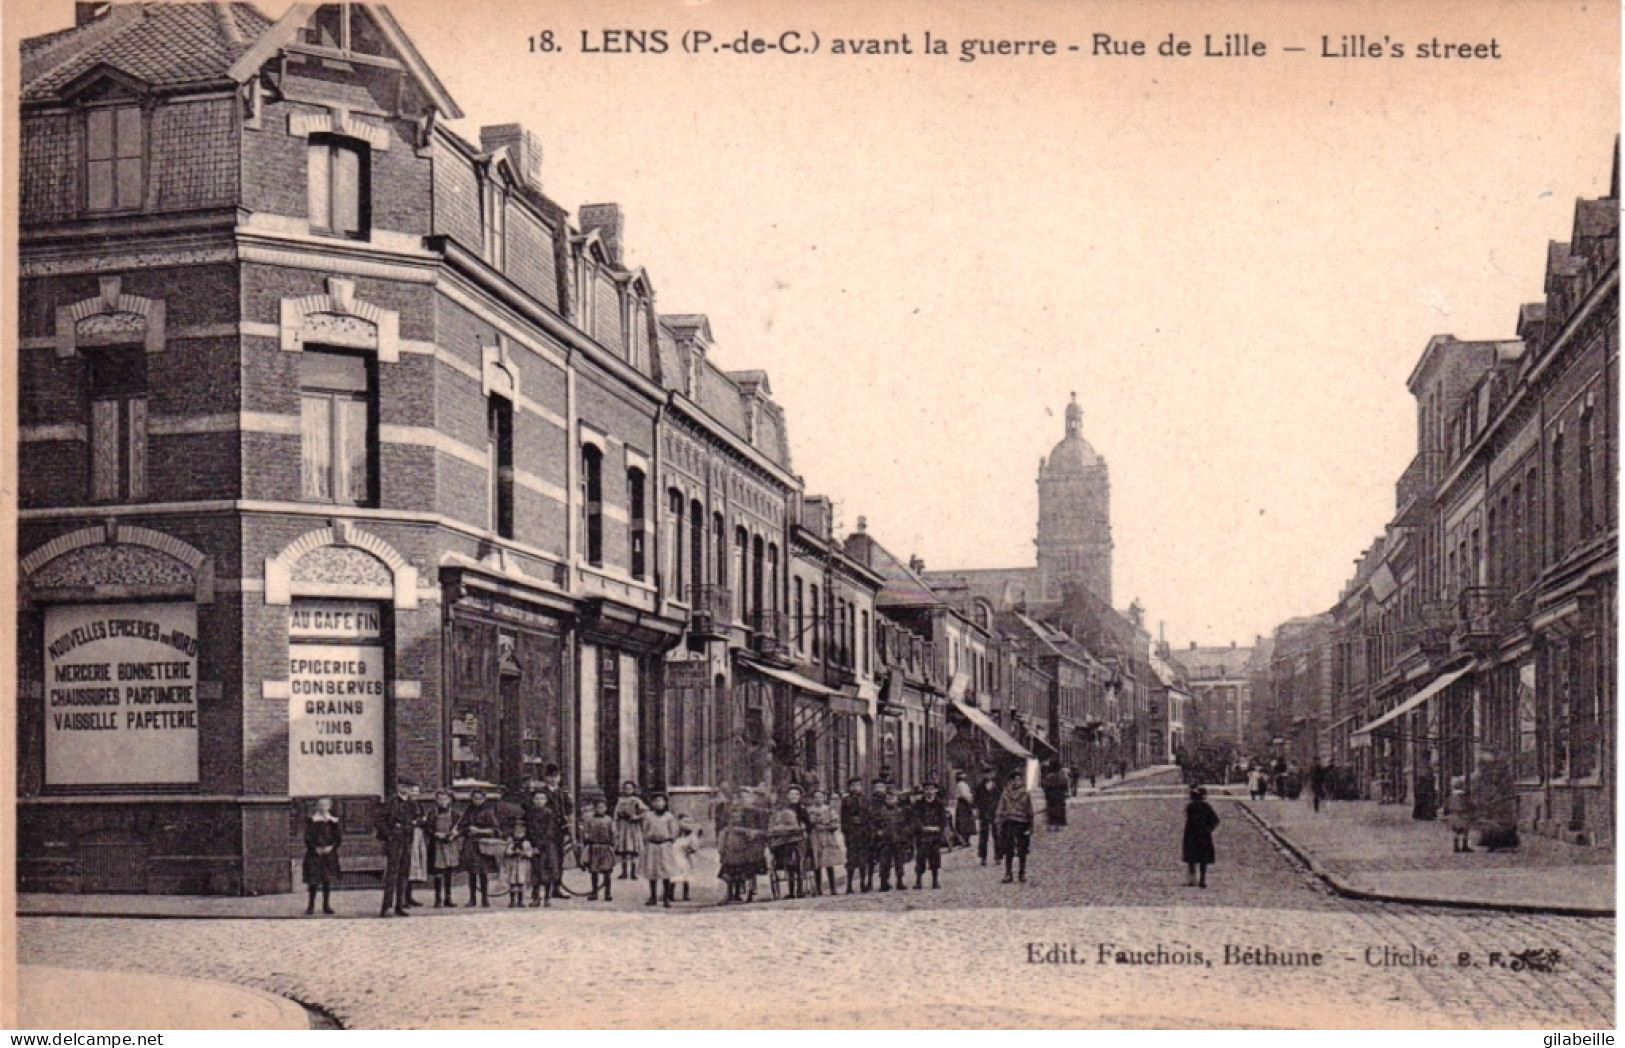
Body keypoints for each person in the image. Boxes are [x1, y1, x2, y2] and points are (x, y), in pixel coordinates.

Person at [374, 779, 420, 918]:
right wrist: (389, 834)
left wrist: (415, 822)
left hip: (407, 841)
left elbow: (418, 817)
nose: (405, 789)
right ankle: (386, 907)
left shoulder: (412, 803)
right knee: (392, 874)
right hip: (394, 842)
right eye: (402, 786)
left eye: (408, 786)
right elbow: (378, 820)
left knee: (404, 874)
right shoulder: (391, 802)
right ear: (398, 786)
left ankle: (399, 906)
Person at [454, 788, 501, 907]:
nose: (477, 801)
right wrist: (459, 832)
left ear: (484, 799)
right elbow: (462, 826)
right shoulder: (469, 811)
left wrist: (479, 830)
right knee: (472, 873)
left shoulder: (488, 811)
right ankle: (472, 899)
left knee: (483, 873)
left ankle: (485, 899)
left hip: (483, 845)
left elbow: (495, 829)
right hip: (470, 845)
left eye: (480, 798)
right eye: (475, 798)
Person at [767, 786, 810, 900]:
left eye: (796, 794)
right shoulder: (783, 809)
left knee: (798, 861)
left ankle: (800, 890)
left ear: (800, 796)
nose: (793, 796)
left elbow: (808, 825)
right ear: (788, 796)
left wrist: (802, 828)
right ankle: (791, 891)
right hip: (784, 839)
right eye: (791, 794)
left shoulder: (802, 809)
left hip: (798, 838)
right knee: (785, 855)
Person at [640, 791, 681, 907]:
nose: (658, 804)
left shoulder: (669, 816)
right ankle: (652, 897)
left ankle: (666, 898)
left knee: (666, 871)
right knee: (652, 872)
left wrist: (669, 840)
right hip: (652, 846)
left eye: (660, 801)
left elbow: (674, 831)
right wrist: (648, 839)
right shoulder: (648, 816)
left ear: (665, 803)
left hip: (665, 846)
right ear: (652, 804)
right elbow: (644, 830)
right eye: (655, 801)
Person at [524, 790, 565, 907]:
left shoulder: (549, 813)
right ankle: (536, 897)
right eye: (537, 799)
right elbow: (528, 829)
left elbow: (550, 831)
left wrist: (540, 845)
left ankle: (547, 897)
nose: (539, 801)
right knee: (535, 872)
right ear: (533, 800)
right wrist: (530, 843)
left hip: (547, 846)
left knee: (547, 871)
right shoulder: (530, 813)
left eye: (542, 799)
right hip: (534, 845)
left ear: (546, 801)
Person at [302, 797, 341, 916]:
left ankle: (326, 905)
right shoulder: (312, 821)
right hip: (314, 855)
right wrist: (315, 848)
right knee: (313, 881)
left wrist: (332, 847)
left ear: (329, 806)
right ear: (317, 807)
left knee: (326, 880)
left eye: (325, 805)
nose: (323, 807)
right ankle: (311, 906)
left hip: (329, 855)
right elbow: (307, 837)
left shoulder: (333, 821)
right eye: (320, 805)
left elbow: (338, 837)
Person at [995, 769, 1035, 883]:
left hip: (1022, 823)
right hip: (1009, 823)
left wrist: (1031, 826)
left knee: (1022, 849)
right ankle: (1008, 873)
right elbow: (999, 809)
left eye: (1019, 779)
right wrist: (998, 823)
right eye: (1015, 779)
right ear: (1011, 781)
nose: (1018, 782)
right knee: (1009, 849)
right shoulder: (1005, 795)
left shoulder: (1026, 795)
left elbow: (1030, 811)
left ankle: (1022, 873)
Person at [718, 808, 765, 904]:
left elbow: (752, 840)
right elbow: (721, 843)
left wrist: (751, 835)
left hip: (742, 856)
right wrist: (722, 852)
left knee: (743, 874)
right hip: (730, 855)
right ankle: (730, 894)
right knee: (729, 876)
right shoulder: (726, 831)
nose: (735, 820)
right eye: (732, 818)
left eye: (738, 817)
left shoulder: (746, 831)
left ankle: (743, 894)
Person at [806, 789, 846, 897]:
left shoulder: (829, 810)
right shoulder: (810, 811)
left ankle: (833, 888)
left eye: (820, 797)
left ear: (824, 798)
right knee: (817, 863)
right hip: (815, 837)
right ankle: (818, 889)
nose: (818, 799)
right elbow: (808, 824)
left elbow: (835, 823)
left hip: (827, 837)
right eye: (816, 797)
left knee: (829, 863)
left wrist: (826, 826)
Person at [426, 789, 460, 908]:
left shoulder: (455, 814)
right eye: (439, 799)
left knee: (449, 872)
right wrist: (436, 834)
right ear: (436, 800)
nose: (442, 802)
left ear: (449, 800)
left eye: (445, 799)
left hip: (450, 845)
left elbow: (460, 828)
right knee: (438, 872)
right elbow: (428, 829)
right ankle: (438, 899)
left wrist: (455, 834)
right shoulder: (432, 813)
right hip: (437, 845)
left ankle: (448, 898)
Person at [579, 797, 618, 901]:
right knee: (594, 872)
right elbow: (585, 831)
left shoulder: (609, 820)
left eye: (602, 807)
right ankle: (594, 892)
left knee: (607, 872)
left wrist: (613, 844)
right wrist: (586, 837)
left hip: (605, 847)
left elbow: (613, 833)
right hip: (594, 847)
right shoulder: (589, 819)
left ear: (606, 808)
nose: (600, 809)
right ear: (594, 808)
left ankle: (608, 893)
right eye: (598, 807)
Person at [1182, 785, 1220, 888]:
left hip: (1191, 835)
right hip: (1203, 835)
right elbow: (1215, 820)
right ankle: (1202, 880)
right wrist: (1208, 829)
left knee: (1191, 858)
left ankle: (1192, 880)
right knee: (1203, 859)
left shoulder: (1190, 807)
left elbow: (1189, 819)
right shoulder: (1206, 807)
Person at [912, 782, 948, 889]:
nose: (929, 792)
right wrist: (922, 827)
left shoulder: (940, 804)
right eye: (927, 789)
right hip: (922, 836)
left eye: (931, 789)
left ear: (935, 791)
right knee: (920, 858)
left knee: (935, 858)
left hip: (935, 836)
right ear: (923, 791)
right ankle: (918, 881)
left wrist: (938, 828)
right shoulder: (919, 804)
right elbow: (915, 818)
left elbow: (943, 820)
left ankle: (935, 880)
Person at [838, 777, 870, 893]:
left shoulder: (865, 800)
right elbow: (843, 818)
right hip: (851, 833)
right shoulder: (846, 801)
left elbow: (868, 816)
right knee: (851, 859)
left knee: (863, 859)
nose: (855, 788)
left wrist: (866, 828)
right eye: (853, 786)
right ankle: (849, 885)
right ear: (849, 787)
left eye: (858, 785)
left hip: (863, 832)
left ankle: (862, 883)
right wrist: (847, 831)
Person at [613, 781, 647, 881]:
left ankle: (633, 872)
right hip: (623, 827)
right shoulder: (620, 800)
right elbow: (615, 814)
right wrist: (616, 826)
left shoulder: (636, 800)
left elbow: (646, 811)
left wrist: (637, 817)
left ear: (633, 790)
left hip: (633, 827)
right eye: (625, 788)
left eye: (630, 788)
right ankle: (624, 872)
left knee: (633, 850)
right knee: (623, 850)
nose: (627, 790)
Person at [972, 768, 1002, 865]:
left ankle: (998, 857)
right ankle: (983, 857)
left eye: (990, 773)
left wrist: (1000, 810)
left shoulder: (998, 786)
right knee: (983, 836)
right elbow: (976, 799)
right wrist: (978, 809)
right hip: (984, 813)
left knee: (997, 835)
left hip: (995, 812)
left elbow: (1001, 799)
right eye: (986, 774)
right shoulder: (980, 787)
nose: (988, 776)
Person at [503, 824, 535, 908]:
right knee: (513, 883)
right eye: (516, 832)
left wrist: (524, 853)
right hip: (513, 865)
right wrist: (513, 852)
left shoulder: (526, 843)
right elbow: (507, 851)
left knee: (520, 883)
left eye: (520, 832)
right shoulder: (511, 842)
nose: (518, 834)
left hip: (522, 865)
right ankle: (512, 901)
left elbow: (530, 853)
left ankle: (520, 901)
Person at [671, 814, 701, 902]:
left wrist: (689, 850)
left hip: (684, 858)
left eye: (689, 822)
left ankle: (686, 894)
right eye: (684, 822)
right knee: (673, 876)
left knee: (686, 876)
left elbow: (694, 847)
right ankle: (670, 893)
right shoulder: (675, 834)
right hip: (674, 856)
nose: (687, 824)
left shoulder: (691, 836)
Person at [1041, 759, 1070, 832]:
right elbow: (1065, 786)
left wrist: (1046, 794)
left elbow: (1045, 786)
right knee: (1061, 810)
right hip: (1060, 795)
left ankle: (1052, 824)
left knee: (1051, 810)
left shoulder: (1048, 777)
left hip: (1051, 795)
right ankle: (1061, 824)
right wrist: (1065, 793)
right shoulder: (1062, 777)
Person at [1445, 774, 1471, 853]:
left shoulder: (1451, 795)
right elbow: (1468, 804)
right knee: (1464, 830)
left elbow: (1447, 805)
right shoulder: (1464, 795)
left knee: (1455, 831)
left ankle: (1455, 846)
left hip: (1453, 814)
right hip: (1463, 814)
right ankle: (1464, 845)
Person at [952, 771, 977, 847]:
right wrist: (970, 800)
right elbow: (964, 795)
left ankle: (965, 840)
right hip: (964, 803)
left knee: (965, 822)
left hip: (964, 803)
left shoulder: (962, 784)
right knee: (964, 822)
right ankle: (964, 840)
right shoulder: (961, 785)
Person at [1413, 750, 1439, 821]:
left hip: (1423, 783)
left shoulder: (1422, 764)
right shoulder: (1425, 765)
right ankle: (1426, 815)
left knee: (1423, 800)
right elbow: (1427, 774)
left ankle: (1421, 814)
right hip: (1425, 783)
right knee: (1427, 800)